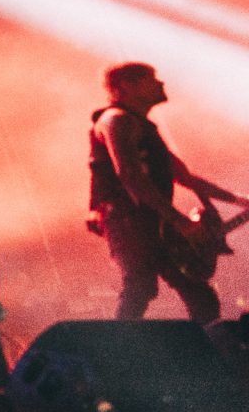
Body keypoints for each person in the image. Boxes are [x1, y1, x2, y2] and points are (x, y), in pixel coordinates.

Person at [88, 62, 246, 323]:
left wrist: (238, 200)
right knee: (140, 287)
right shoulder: (117, 120)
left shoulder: (140, 125)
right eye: (152, 79)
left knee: (200, 296)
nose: (161, 84)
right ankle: (116, 356)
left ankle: (199, 358)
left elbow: (185, 177)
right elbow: (130, 176)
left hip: (154, 223)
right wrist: (177, 219)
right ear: (127, 85)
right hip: (129, 223)